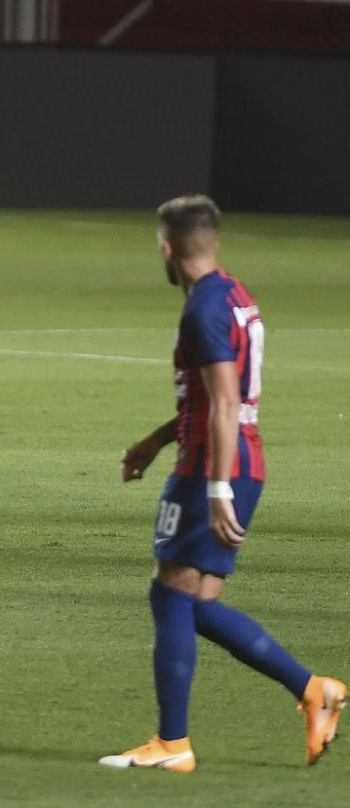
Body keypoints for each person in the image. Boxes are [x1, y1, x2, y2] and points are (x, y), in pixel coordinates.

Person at [99, 195, 345, 772]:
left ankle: (173, 743)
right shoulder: (234, 295)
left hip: (214, 465)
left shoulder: (203, 309)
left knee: (169, 595)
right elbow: (216, 396)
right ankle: (314, 691)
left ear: (167, 248)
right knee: (199, 607)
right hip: (238, 459)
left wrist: (215, 489)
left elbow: (226, 402)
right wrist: (156, 441)